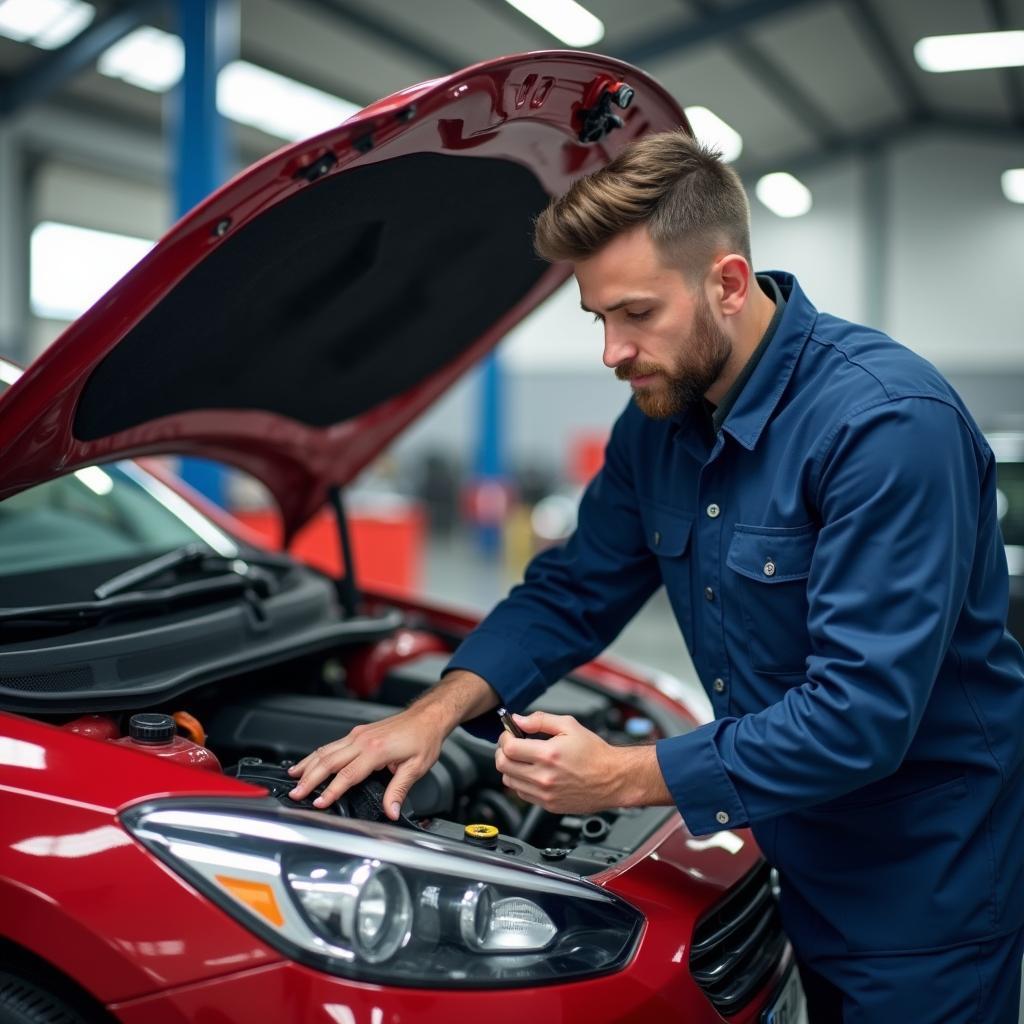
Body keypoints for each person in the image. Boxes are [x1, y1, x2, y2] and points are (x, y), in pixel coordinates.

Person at [288, 130, 1024, 1022]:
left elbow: (860, 714)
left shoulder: (884, 428)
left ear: (727, 282)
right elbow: (575, 587)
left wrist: (625, 777)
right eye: (598, 318)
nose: (612, 351)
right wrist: (434, 714)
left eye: (636, 313)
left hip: (923, 882)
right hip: (787, 842)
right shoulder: (659, 421)